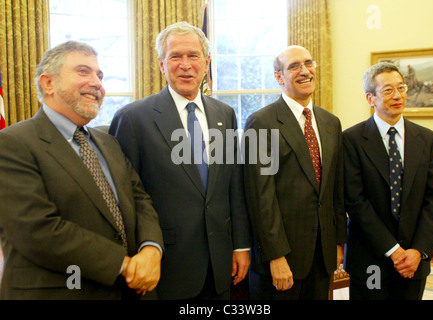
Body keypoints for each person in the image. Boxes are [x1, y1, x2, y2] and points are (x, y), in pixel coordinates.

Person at [0, 41, 164, 300]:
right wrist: (124, 265)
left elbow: (140, 200)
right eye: (83, 71)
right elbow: (36, 230)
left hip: (133, 292)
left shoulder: (108, 142)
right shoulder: (11, 144)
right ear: (48, 83)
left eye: (99, 75)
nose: (97, 83)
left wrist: (151, 249)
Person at [109, 22, 252, 300]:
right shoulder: (133, 118)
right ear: (162, 64)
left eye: (193, 56)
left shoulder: (225, 114)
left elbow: (233, 185)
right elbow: (124, 198)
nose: (185, 65)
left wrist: (240, 245)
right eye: (175, 56)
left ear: (207, 62)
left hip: (220, 262)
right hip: (165, 266)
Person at [243, 45, 347, 300]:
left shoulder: (330, 122)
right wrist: (275, 256)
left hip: (322, 257)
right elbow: (261, 198)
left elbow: (335, 187)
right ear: (279, 76)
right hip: (281, 260)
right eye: (294, 66)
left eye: (309, 63)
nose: (305, 71)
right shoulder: (261, 122)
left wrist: (337, 242)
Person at [343, 62, 433, 300]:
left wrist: (418, 251)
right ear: (371, 98)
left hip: (414, 259)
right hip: (370, 258)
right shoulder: (351, 139)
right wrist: (393, 251)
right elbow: (356, 201)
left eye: (401, 88)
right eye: (388, 90)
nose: (398, 95)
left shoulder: (427, 139)